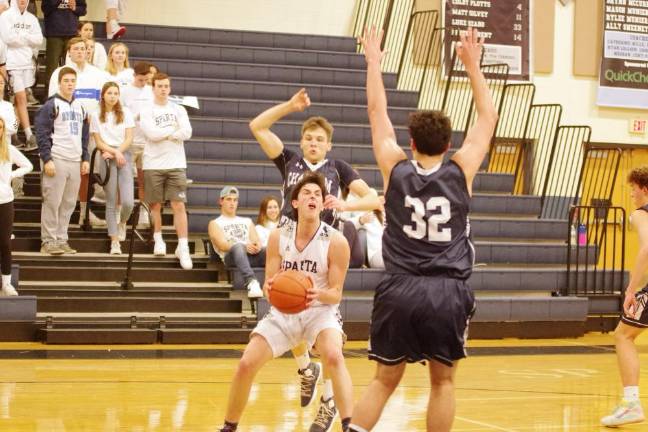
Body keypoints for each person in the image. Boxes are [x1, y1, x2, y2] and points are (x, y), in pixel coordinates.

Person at [348, 27, 498, 432]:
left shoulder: (393, 167)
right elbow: (488, 118)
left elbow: (377, 113)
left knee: (383, 381)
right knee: (443, 382)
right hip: (447, 289)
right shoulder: (461, 169)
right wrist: (472, 67)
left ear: (410, 141)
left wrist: (374, 62)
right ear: (449, 144)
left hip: (400, 286)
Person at [218, 172, 353, 432]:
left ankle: (348, 424)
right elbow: (271, 283)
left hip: (321, 310)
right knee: (246, 363)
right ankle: (228, 427)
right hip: (284, 312)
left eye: (317, 195)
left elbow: (336, 293)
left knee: (334, 356)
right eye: (307, 194)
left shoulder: (336, 241)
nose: (313, 197)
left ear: (323, 204)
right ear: (295, 203)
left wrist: (317, 295)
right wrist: (270, 288)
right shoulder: (279, 236)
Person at [600, 167, 648, 427]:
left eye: (633, 188)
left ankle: (631, 404)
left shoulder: (641, 214)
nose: (631, 194)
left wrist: (631, 290)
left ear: (644, 189)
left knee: (623, 335)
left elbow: (647, 248)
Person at [50, 36, 108, 227]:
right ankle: (59, 217)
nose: (80, 52)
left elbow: (106, 102)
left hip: (91, 132)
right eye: (76, 49)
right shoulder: (60, 73)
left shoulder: (99, 75)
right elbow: (52, 103)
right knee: (64, 176)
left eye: (83, 48)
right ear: (69, 52)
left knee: (86, 174)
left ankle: (84, 213)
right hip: (66, 133)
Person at [139, 72, 192, 270]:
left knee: (179, 205)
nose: (163, 89)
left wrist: (168, 135)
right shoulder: (146, 110)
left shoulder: (178, 109)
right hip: (153, 163)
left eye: (166, 86)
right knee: (155, 205)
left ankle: (183, 246)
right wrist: (173, 133)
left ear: (170, 88)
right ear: (153, 87)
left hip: (177, 163)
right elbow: (151, 134)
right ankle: (158, 239)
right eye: (159, 86)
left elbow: (187, 132)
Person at [35, 66, 90, 256]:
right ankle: (48, 241)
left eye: (72, 81)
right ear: (59, 83)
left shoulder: (80, 107)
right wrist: (47, 159)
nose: (69, 84)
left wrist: (85, 157)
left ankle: (62, 238)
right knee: (52, 201)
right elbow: (41, 133)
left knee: (68, 204)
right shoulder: (51, 105)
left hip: (75, 161)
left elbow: (84, 136)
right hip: (57, 158)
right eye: (66, 81)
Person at [90, 81, 134, 255]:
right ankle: (114, 241)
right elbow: (99, 141)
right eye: (110, 93)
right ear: (103, 95)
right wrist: (112, 152)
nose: (113, 96)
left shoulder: (126, 113)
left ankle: (122, 222)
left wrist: (118, 152)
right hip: (106, 156)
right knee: (110, 200)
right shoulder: (96, 115)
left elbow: (129, 138)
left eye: (116, 93)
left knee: (128, 202)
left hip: (123, 156)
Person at [0, 0, 42, 152]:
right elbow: (7, 38)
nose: (22, 0)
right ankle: (29, 134)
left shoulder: (32, 18)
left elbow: (38, 39)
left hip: (27, 63)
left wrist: (21, 37)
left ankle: (13, 133)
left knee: (19, 103)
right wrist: (27, 37)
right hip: (12, 64)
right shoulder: (5, 16)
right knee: (22, 98)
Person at [208, 186, 264, 298]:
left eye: (235, 200)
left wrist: (257, 245)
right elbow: (222, 245)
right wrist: (243, 246)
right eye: (228, 199)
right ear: (221, 201)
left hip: (250, 255)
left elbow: (256, 240)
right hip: (231, 257)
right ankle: (251, 281)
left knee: (271, 249)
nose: (232, 203)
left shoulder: (247, 221)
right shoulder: (215, 223)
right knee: (238, 246)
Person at [0, 116, 32, 296]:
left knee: (4, 243)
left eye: (0, 127)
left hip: (4, 200)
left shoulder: (9, 149)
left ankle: (6, 283)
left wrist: (11, 176)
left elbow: (28, 165)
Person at [121, 61, 154, 228]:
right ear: (134, 76)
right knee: (125, 181)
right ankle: (122, 218)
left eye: (146, 80)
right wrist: (135, 117)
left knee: (144, 181)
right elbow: (120, 115)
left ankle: (143, 214)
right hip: (130, 141)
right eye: (141, 80)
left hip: (147, 142)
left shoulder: (151, 90)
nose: (144, 83)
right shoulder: (125, 91)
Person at [42, 0, 87, 87]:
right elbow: (45, 9)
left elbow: (83, 10)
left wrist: (74, 8)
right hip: (54, 34)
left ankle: (72, 92)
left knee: (71, 66)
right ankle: (49, 95)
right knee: (52, 68)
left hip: (72, 34)